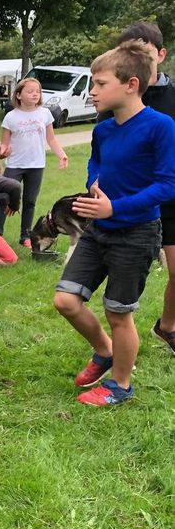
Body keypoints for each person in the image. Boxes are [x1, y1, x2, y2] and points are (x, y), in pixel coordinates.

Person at [53, 41, 175, 406]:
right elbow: (96, 162)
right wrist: (94, 181)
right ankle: (105, 351)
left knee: (118, 312)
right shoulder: (103, 129)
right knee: (65, 300)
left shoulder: (161, 126)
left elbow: (168, 183)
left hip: (137, 234)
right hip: (99, 231)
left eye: (100, 83)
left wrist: (115, 207)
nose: (92, 91)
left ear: (131, 84)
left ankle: (120, 384)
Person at [100, 22, 175, 354]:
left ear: (160, 54)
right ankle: (117, 338)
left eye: (141, 53)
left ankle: (167, 327)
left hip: (169, 199)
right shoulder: (115, 96)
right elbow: (101, 151)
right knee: (123, 281)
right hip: (130, 206)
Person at [0, 77, 69, 246]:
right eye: (30, 91)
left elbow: (51, 139)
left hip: (36, 165)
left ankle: (26, 236)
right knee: (4, 199)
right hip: (14, 165)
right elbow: (3, 144)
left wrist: (62, 155)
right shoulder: (10, 117)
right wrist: (2, 152)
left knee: (30, 201)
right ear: (19, 95)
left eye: (38, 91)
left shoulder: (45, 114)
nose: (35, 94)